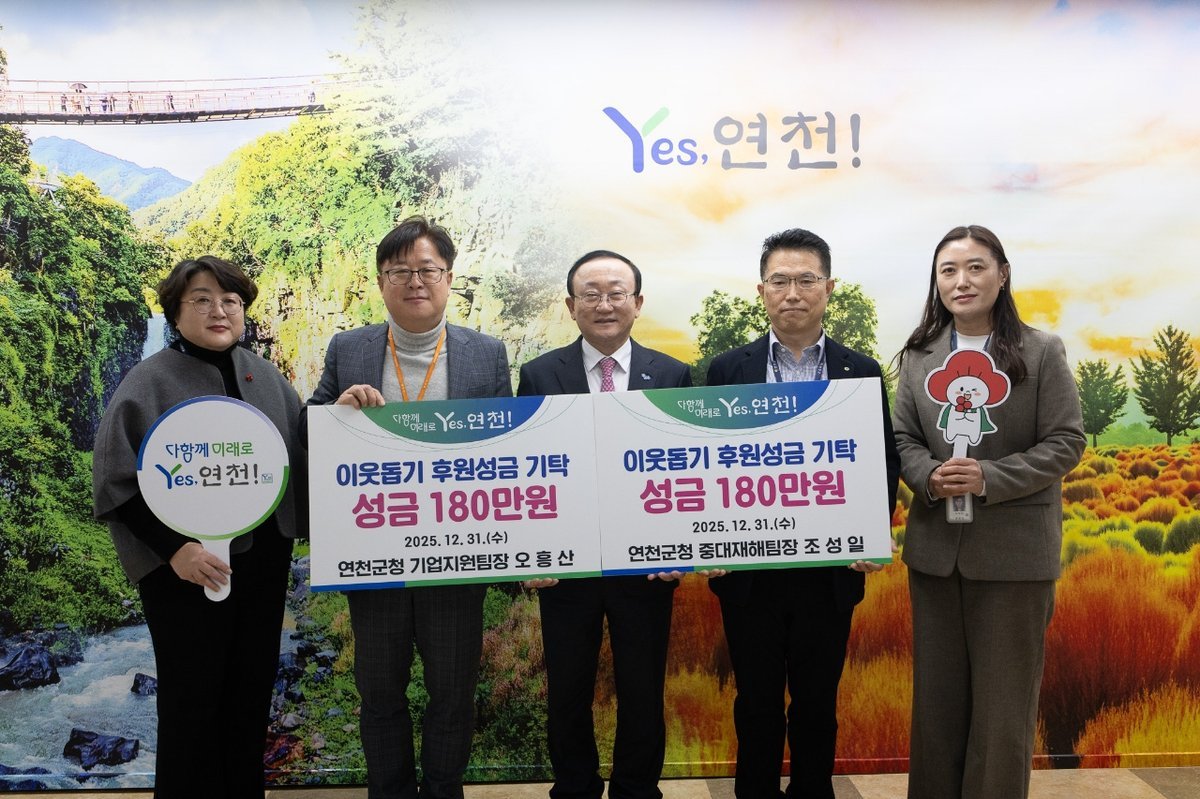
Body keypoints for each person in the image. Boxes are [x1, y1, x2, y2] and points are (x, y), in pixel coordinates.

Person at [304, 215, 511, 799]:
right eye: (400, 271)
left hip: (456, 556)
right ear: (381, 281)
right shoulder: (349, 348)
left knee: (453, 695)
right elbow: (307, 427)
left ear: (449, 278)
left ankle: (444, 791)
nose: (415, 282)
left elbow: (511, 447)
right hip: (374, 555)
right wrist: (336, 411)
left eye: (428, 270)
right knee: (379, 694)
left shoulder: (485, 354)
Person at [92, 256, 306, 799]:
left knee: (250, 698)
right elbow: (117, 480)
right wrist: (175, 550)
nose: (219, 311)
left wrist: (349, 414)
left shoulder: (266, 376)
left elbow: (305, 451)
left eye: (230, 301)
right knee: (191, 703)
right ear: (175, 312)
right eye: (203, 300)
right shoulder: (149, 381)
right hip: (183, 572)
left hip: (262, 565)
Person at [891, 225, 1084, 799]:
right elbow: (902, 439)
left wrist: (988, 477)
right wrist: (928, 476)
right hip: (934, 557)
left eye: (976, 267)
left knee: (1003, 713)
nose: (962, 281)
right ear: (936, 282)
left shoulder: (1041, 350)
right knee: (937, 709)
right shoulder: (919, 357)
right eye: (948, 270)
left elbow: (1066, 441)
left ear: (1003, 275)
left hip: (1014, 558)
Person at [705, 228, 899, 799]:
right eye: (780, 281)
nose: (793, 293)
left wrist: (871, 533)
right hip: (749, 574)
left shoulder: (859, 370)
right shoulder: (727, 369)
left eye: (806, 280)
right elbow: (708, 463)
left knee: (817, 702)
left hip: (829, 573)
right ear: (761, 290)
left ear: (828, 288)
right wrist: (703, 542)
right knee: (756, 703)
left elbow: (882, 458)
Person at [517, 250, 692, 799]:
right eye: (590, 294)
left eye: (617, 293)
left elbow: (689, 468)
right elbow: (525, 469)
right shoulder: (540, 374)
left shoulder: (673, 375)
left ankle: (638, 789)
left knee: (642, 688)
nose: (604, 304)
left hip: (646, 564)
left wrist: (680, 549)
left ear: (638, 303)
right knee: (568, 689)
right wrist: (532, 552)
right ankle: (574, 787)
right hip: (567, 566)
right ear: (571, 307)